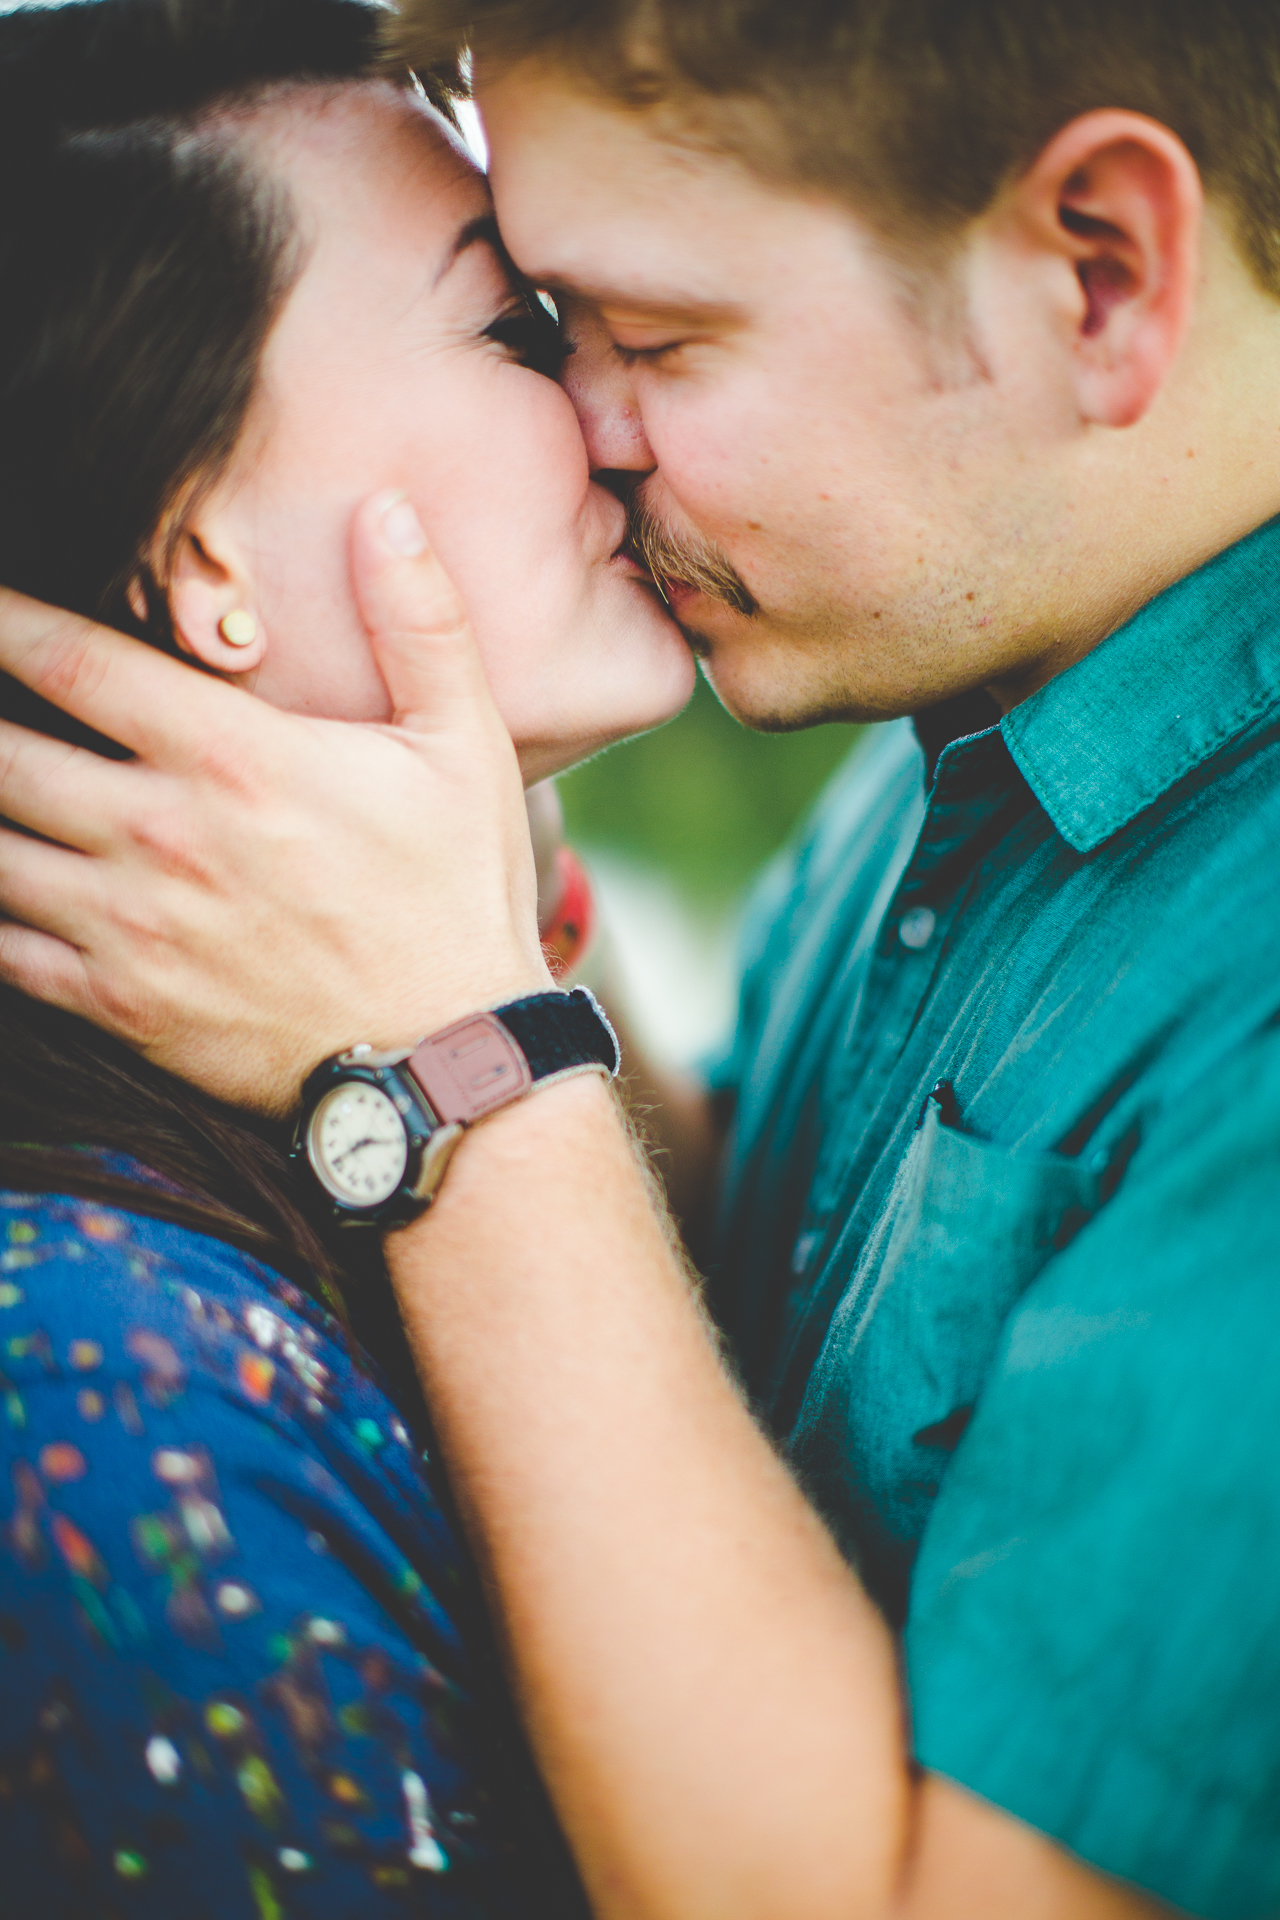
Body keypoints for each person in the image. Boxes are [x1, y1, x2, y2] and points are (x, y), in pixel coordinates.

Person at [2, 0, 1280, 1916]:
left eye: (653, 338)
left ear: (1096, 273)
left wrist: (455, 1043)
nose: (591, 430)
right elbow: (777, 1281)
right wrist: (456, 898)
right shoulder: (944, 745)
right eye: (533, 326)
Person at [0, 1, 693, 1914]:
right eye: (520, 325)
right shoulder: (109, 1408)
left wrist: (497, 931)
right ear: (197, 554)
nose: (621, 397)